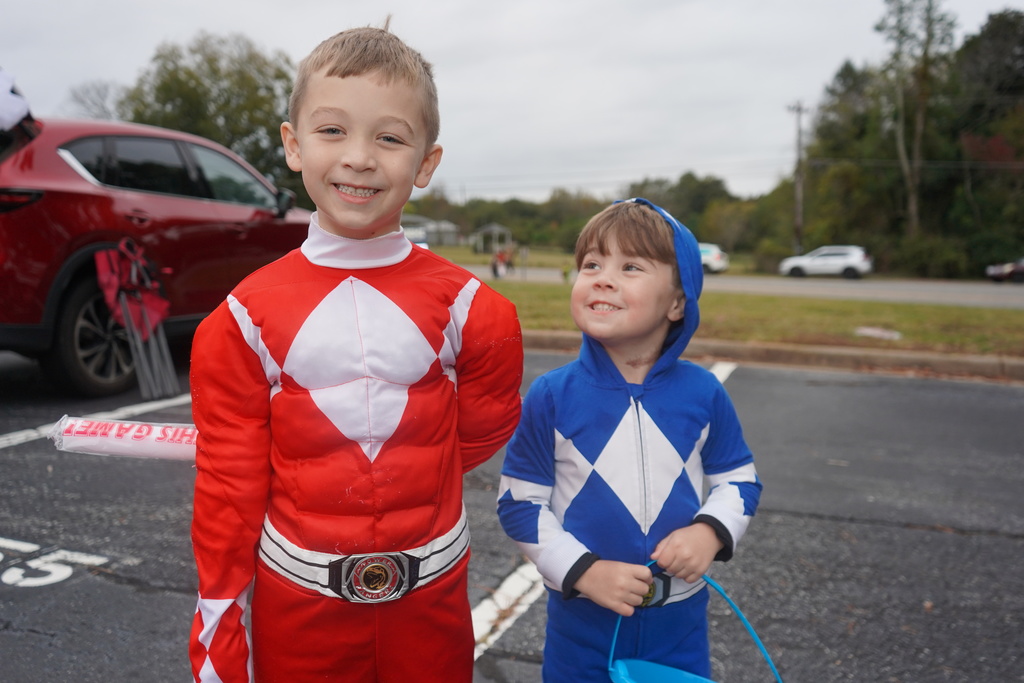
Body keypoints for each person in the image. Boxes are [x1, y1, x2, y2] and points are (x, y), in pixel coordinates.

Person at [188, 23, 524, 683]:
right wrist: (219, 628)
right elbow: (229, 490)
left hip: (432, 608)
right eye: (333, 130)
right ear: (293, 144)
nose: (360, 158)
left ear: (426, 162)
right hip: (298, 612)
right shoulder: (239, 320)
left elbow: (476, 434)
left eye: (390, 137)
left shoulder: (477, 311)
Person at [497, 198, 762, 682]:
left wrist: (710, 531)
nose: (602, 277)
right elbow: (519, 504)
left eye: (631, 266)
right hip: (581, 625)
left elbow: (739, 482)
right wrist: (584, 571)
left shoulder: (703, 392)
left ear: (677, 303)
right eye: (591, 264)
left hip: (679, 626)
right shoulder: (553, 395)